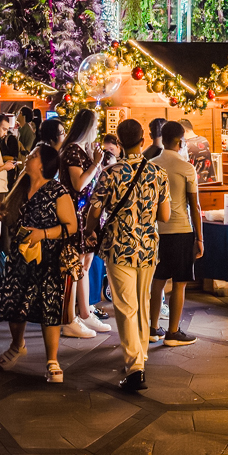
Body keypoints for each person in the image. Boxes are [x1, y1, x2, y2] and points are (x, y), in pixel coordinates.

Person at [86, 119, 168, 391]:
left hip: (119, 245)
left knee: (125, 305)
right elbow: (165, 216)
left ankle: (135, 367)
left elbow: (94, 211)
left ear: (119, 143)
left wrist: (90, 230)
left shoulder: (109, 173)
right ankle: (140, 356)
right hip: (148, 247)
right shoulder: (158, 173)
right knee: (143, 303)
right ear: (143, 140)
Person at [0, 143, 79, 382]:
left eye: (33, 155)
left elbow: (71, 227)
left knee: (49, 307)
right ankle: (18, 345)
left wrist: (43, 234)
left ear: (43, 164)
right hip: (19, 257)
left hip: (47, 259)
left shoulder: (57, 191)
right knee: (14, 302)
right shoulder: (21, 185)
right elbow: (7, 213)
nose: (28, 157)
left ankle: (52, 360)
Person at [149, 120, 201, 346]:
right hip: (181, 229)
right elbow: (194, 206)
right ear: (179, 141)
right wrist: (199, 238)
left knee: (157, 281)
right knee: (179, 283)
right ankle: (172, 332)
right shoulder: (186, 168)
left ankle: (152, 328)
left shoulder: (150, 165)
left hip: (156, 231)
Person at [58, 109, 108, 338]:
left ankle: (85, 312)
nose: (97, 129)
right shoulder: (71, 151)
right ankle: (71, 318)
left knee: (85, 265)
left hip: (87, 213)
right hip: (75, 213)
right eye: (96, 125)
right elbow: (79, 184)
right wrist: (96, 164)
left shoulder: (81, 150)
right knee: (76, 265)